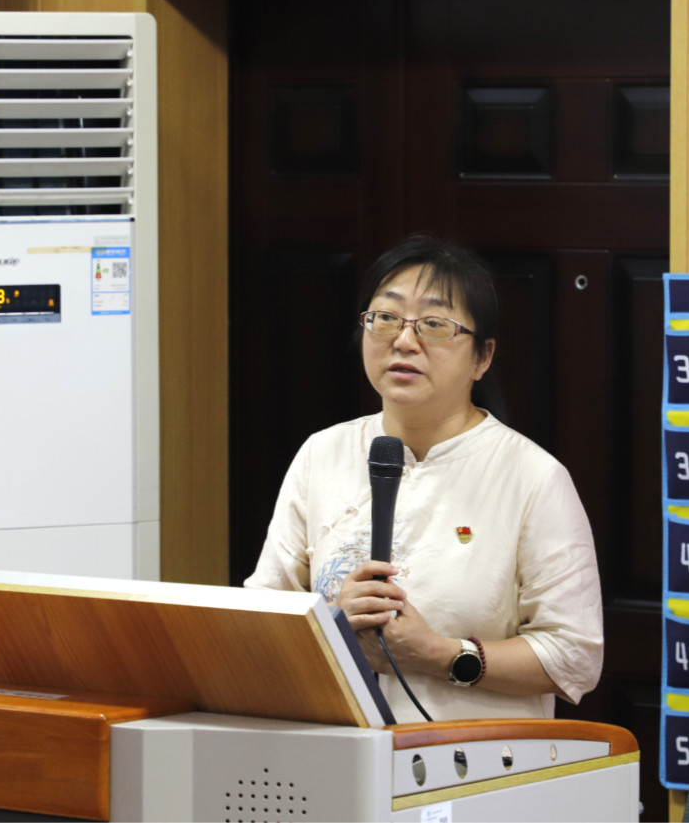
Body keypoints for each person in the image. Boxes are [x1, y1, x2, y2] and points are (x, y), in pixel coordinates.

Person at [244, 235, 603, 723]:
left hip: (475, 756)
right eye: (386, 318)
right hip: (336, 744)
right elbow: (263, 617)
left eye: (434, 324)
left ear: (482, 357)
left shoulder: (533, 478)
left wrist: (439, 654)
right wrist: (332, 625)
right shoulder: (321, 454)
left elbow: (575, 657)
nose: (404, 341)